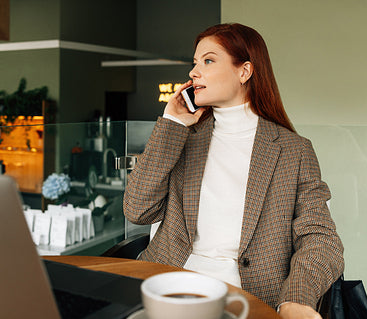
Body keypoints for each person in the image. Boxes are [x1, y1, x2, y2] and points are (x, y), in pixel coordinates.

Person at [123, 23, 344, 319]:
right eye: (195, 63)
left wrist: (297, 299)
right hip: (168, 284)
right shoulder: (182, 138)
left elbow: (320, 236)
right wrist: (171, 125)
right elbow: (137, 210)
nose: (193, 72)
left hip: (249, 297)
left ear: (245, 71)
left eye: (208, 61)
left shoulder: (294, 150)